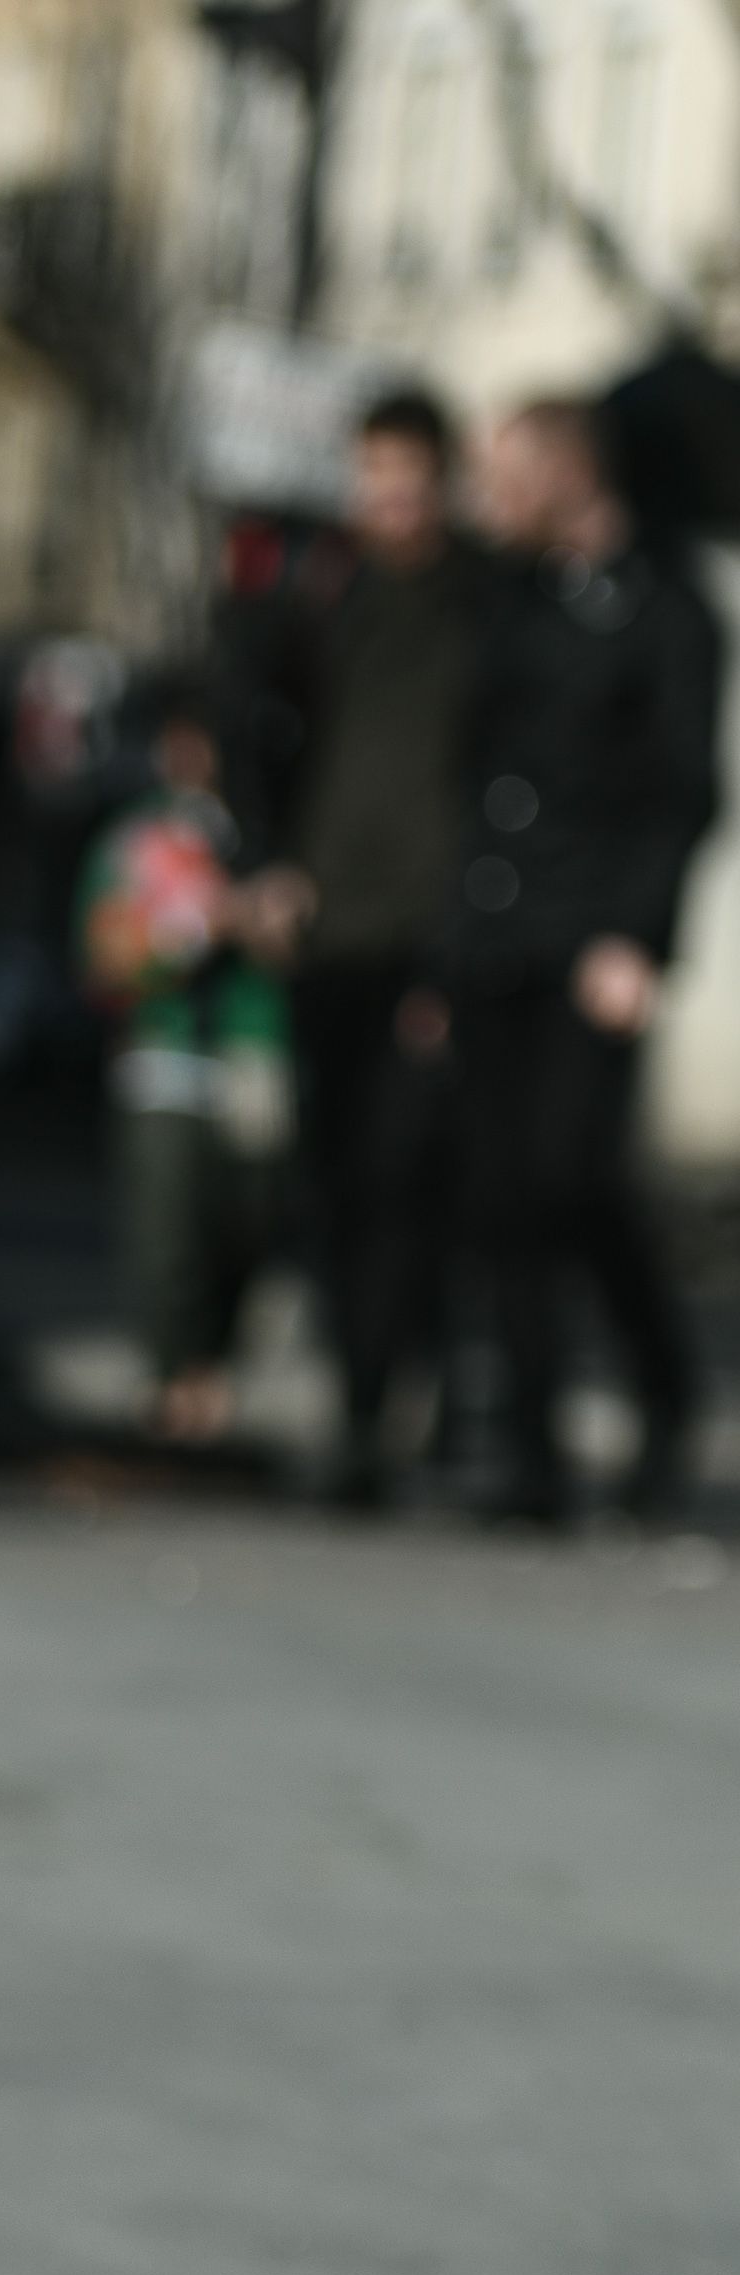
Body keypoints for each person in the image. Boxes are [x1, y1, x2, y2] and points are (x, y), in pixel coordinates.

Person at [456, 396, 723, 1519]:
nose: (490, 499)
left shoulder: (667, 606)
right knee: (501, 1193)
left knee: (573, 1177)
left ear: (569, 474)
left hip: (593, 941)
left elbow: (684, 790)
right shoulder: (503, 599)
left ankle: (664, 1386)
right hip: (494, 932)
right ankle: (533, 1450)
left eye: (509, 476)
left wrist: (637, 937)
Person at [232, 389, 491, 1505]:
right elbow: (249, 725)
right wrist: (266, 865)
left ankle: (402, 1401)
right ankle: (362, 1397)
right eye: (373, 477)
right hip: (328, 932)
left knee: (411, 1177)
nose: (390, 501)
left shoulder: (486, 600)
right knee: (336, 1180)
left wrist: (468, 937)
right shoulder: (319, 592)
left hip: (431, 936)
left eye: (408, 478)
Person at [77, 680, 292, 1446]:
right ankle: (172, 1375)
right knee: (165, 1229)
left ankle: (215, 1363)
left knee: (249, 1217)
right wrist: (201, 925)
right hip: (164, 1049)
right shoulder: (138, 842)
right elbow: (106, 957)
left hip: (250, 1046)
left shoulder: (266, 833)